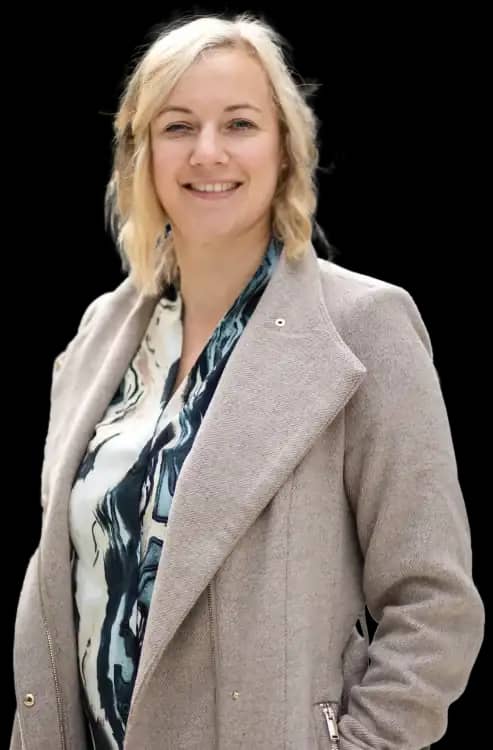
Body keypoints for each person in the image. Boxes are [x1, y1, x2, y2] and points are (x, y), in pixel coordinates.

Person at [10, 12, 484, 750]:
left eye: (239, 124)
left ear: (286, 149)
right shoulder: (99, 335)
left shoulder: (364, 327)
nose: (208, 152)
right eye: (177, 126)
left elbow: (432, 605)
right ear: (141, 153)